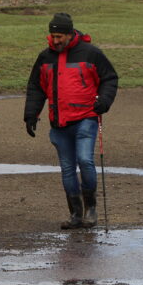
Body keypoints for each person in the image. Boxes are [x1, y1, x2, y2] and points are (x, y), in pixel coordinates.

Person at [24, 12, 119, 229]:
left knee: (85, 160)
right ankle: (76, 214)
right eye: (52, 36)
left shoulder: (91, 53)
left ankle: (91, 209)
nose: (55, 41)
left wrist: (104, 101)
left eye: (59, 36)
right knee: (67, 169)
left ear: (69, 34)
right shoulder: (45, 57)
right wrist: (31, 114)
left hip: (86, 117)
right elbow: (36, 87)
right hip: (59, 123)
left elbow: (109, 79)